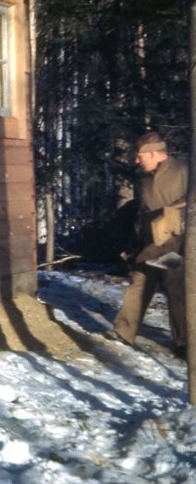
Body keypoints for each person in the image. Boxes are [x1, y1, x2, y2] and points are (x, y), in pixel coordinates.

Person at [108, 131, 187, 357]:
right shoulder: (144, 178)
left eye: (139, 156)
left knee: (175, 289)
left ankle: (184, 343)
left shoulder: (184, 171)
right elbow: (142, 213)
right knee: (139, 283)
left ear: (154, 154)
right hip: (148, 243)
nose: (136, 161)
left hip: (174, 245)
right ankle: (123, 332)